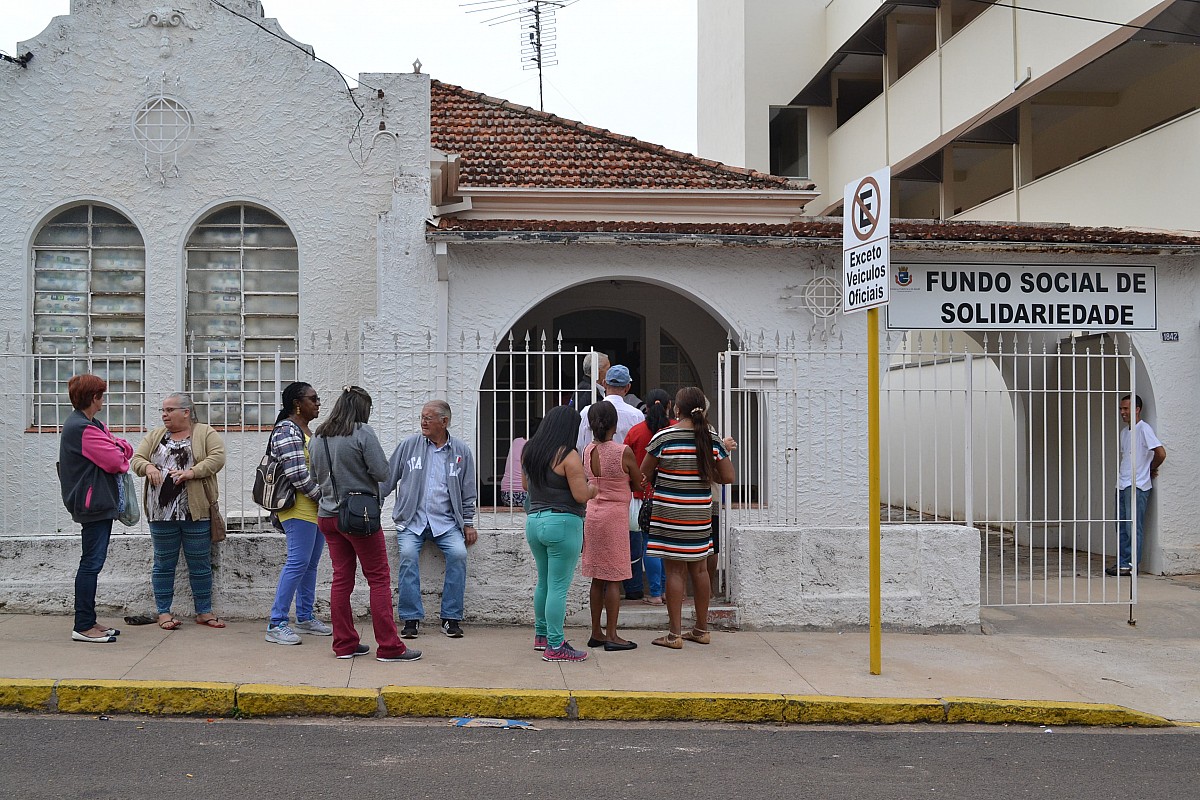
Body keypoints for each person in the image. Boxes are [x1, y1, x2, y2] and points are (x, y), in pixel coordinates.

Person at [310, 386, 419, 662]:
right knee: (379, 579)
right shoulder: (362, 432)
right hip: (360, 518)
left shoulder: (318, 436)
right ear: (362, 409)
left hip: (327, 516)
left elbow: (314, 476)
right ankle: (390, 647)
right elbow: (383, 472)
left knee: (341, 580)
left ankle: (344, 643)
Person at [640, 386, 734, 649]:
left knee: (674, 571)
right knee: (700, 569)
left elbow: (644, 473)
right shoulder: (711, 437)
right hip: (699, 514)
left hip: (669, 513)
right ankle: (701, 629)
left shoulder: (664, 436)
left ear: (677, 409)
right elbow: (728, 477)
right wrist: (704, 473)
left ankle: (674, 635)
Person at [131, 393, 227, 630]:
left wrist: (192, 472)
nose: (164, 415)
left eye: (169, 410)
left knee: (200, 562)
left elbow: (218, 458)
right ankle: (164, 612)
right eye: (163, 411)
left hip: (196, 512)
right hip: (161, 513)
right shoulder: (156, 436)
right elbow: (136, 459)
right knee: (164, 563)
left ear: (186, 412)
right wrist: (148, 466)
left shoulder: (205, 433)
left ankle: (204, 611)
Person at [384, 400, 478, 640]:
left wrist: (467, 521)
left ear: (444, 422)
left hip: (446, 523)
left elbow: (468, 490)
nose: (423, 422)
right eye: (422, 417)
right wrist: (371, 505)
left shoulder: (461, 451)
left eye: (428, 418)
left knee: (458, 554)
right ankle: (411, 618)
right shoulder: (408, 446)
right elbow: (387, 478)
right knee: (407, 556)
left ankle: (450, 617)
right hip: (411, 521)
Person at [57, 374, 134, 643]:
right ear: (94, 397)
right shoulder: (82, 428)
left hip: (97, 503)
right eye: (101, 395)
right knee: (91, 563)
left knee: (92, 562)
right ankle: (83, 625)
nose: (103, 399)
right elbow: (117, 462)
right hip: (93, 505)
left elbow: (126, 448)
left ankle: (89, 620)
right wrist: (117, 447)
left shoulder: (92, 424)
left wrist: (117, 445)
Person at [521, 406, 597, 662]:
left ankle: (541, 636)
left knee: (543, 581)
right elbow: (579, 495)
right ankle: (555, 645)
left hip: (534, 522)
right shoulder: (569, 456)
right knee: (557, 587)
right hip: (563, 523)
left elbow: (525, 486)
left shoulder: (530, 450)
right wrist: (593, 490)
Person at [265, 382, 332, 645]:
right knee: (297, 563)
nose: (317, 403)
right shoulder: (286, 430)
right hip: (298, 508)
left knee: (310, 565)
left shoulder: (306, 431)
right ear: (297, 403)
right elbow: (298, 476)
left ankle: (304, 617)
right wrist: (324, 499)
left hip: (315, 509)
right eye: (313, 399)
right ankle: (276, 622)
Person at [582, 402, 644, 651]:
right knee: (615, 577)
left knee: (597, 577)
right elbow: (639, 483)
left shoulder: (587, 450)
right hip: (615, 517)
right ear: (615, 424)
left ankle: (596, 632)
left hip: (593, 515)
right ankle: (612, 635)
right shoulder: (622, 451)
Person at [623, 388, 674, 605]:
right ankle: (665, 591)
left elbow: (625, 463)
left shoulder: (636, 432)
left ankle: (654, 593)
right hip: (672, 495)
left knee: (648, 544)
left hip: (642, 495)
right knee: (669, 545)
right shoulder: (675, 429)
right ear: (669, 404)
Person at [1106, 394, 1166, 577]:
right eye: (1121, 409)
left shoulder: (1143, 429)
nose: (1122, 412)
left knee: (1133, 527)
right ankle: (1123, 563)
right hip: (1122, 484)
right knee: (1121, 525)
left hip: (1137, 485)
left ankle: (1132, 564)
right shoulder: (1125, 432)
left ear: (1137, 409)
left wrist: (1150, 468)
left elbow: (1161, 453)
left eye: (1126, 408)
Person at [576, 364, 644, 453]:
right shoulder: (637, 415)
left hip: (591, 464)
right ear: (628, 387)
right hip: (623, 465)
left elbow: (580, 445)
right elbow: (639, 447)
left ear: (604, 384)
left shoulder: (586, 412)